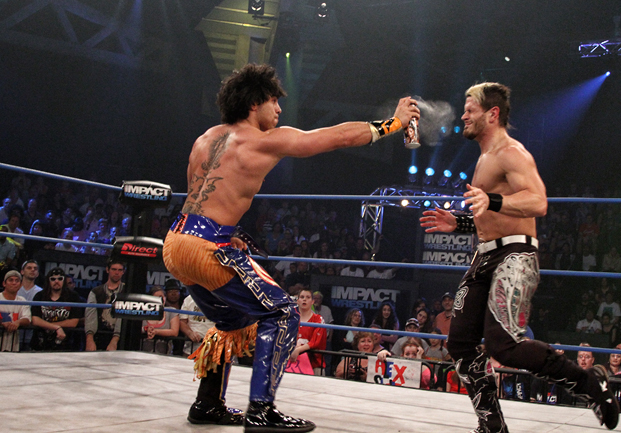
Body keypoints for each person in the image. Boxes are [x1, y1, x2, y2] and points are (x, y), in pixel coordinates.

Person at [161, 63, 419, 430]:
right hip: (206, 248)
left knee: (230, 320)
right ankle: (261, 409)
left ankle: (207, 404)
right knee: (283, 313)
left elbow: (201, 196)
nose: (279, 109)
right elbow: (336, 137)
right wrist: (393, 123)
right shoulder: (264, 140)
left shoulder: (205, 138)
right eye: (274, 101)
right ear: (254, 103)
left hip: (177, 241)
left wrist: (226, 232)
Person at [419, 82, 618, 432]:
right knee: (460, 343)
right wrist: (460, 222)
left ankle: (589, 383)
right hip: (484, 256)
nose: (463, 116)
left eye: (470, 110)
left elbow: (538, 201)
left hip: (515, 255)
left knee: (504, 346)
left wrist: (491, 201)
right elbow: (493, 216)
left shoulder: (512, 152)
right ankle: (492, 425)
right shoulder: (484, 158)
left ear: (492, 114)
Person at [31, 267, 84, 351]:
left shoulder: (73, 296)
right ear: (48, 281)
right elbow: (35, 320)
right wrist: (56, 327)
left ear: (64, 280)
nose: (56, 281)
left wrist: (50, 325)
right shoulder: (40, 296)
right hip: (41, 342)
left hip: (66, 344)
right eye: (53, 279)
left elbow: (74, 322)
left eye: (60, 279)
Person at [85, 259, 126, 351]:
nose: (117, 273)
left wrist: (115, 339)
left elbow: (123, 315)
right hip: (99, 334)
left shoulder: (126, 292)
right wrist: (89, 339)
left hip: (121, 337)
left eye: (120, 270)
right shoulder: (96, 292)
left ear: (123, 272)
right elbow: (90, 316)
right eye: (114, 269)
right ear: (107, 270)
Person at [291, 288, 326, 375]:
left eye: (308, 297)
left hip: (314, 364)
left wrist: (298, 349)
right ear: (298, 301)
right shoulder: (291, 319)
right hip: (292, 363)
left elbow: (315, 341)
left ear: (312, 301)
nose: (304, 299)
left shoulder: (318, 319)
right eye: (302, 297)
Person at [1, 270, 31, 352]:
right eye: (11, 280)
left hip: (12, 344)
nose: (14, 283)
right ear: (4, 283)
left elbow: (27, 319)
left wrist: (18, 322)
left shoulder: (22, 301)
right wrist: (2, 324)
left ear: (20, 285)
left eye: (17, 281)